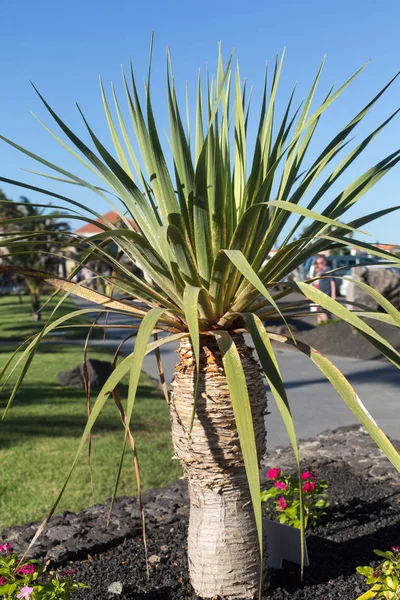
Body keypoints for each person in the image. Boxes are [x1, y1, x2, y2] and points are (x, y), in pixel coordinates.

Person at [311, 255, 336, 324]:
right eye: (317, 263)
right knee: (321, 311)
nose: (319, 265)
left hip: (326, 295)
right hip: (320, 295)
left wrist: (333, 295)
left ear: (324, 262)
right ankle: (323, 324)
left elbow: (332, 282)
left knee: (323, 311)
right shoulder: (321, 271)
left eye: (320, 263)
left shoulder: (328, 270)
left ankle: (326, 324)